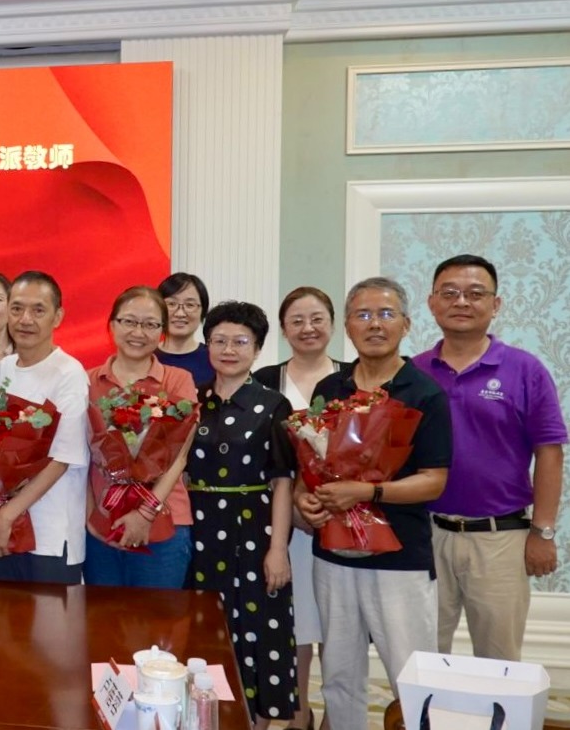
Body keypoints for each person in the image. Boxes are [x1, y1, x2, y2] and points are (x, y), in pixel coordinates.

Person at [295, 277, 451, 730]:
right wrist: (307, 499)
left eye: (386, 314)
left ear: (406, 324)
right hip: (333, 555)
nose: (375, 324)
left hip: (400, 559)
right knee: (339, 676)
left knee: (414, 678)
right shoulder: (331, 387)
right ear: (347, 326)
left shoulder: (424, 392)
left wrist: (367, 493)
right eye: (363, 315)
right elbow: (310, 465)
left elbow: (434, 481)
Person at [413, 255, 565, 661]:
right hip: (426, 535)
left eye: (475, 293)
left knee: (499, 662)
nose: (462, 301)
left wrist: (543, 532)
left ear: (495, 304)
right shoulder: (414, 372)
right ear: (432, 303)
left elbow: (549, 453)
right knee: (422, 655)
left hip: (501, 539)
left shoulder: (525, 369)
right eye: (450, 293)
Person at [187, 301, 297, 729]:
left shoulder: (273, 404)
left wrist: (278, 549)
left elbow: (283, 480)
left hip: (254, 532)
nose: (228, 350)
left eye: (240, 341)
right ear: (207, 345)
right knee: (203, 627)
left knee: (257, 628)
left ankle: (256, 722)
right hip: (198, 534)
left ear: (257, 348)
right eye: (219, 341)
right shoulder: (192, 400)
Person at [253, 286, 341, 730]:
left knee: (340, 625)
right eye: (297, 320)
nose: (308, 328)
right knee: (298, 620)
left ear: (332, 323)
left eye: (317, 318)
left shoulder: (352, 379)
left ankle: (337, 715)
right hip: (285, 524)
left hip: (344, 519)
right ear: (284, 329)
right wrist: (297, 509)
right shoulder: (263, 380)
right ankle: (299, 713)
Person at [84, 285, 195, 588]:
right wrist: (91, 516)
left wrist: (145, 514)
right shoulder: (87, 381)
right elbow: (80, 459)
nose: (138, 332)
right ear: (112, 325)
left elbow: (179, 458)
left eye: (150, 324)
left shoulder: (177, 380)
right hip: (101, 525)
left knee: (156, 617)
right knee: (103, 615)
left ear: (162, 332)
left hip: (165, 520)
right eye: (129, 321)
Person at [0, 271, 88, 584]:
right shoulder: (2, 369)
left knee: (51, 617)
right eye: (17, 308)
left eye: (38, 310)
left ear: (58, 317)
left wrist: (7, 514)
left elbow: (61, 460)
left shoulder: (69, 373)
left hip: (49, 534)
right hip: (1, 530)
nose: (25, 319)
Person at [156, 272, 213, 386]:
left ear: (203, 311)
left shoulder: (214, 358)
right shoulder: (146, 357)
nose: (180, 313)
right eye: (171, 304)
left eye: (190, 305)